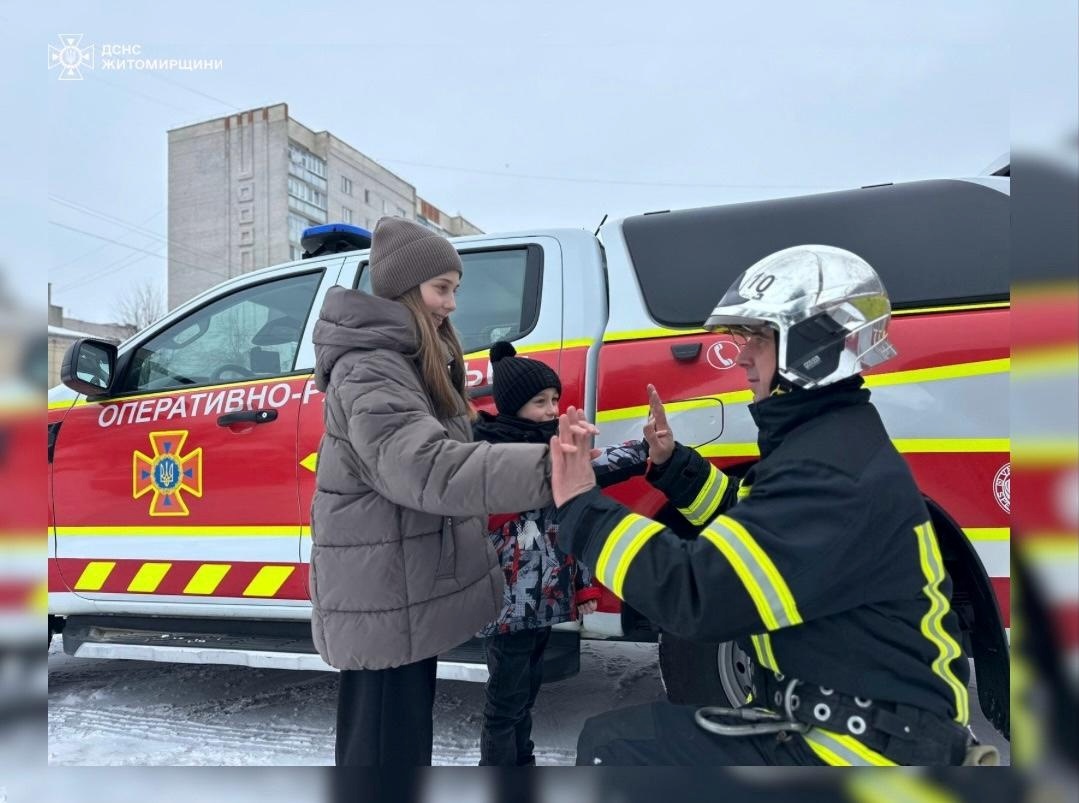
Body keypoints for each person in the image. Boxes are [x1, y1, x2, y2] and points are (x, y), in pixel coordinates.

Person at [549, 245, 977, 766]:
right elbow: (754, 531)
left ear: (812, 346)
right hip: (859, 723)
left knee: (618, 751)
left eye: (759, 337)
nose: (741, 354)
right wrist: (674, 467)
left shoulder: (827, 469)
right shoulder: (826, 440)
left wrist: (579, 506)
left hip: (863, 752)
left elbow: (698, 593)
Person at [310, 217, 553, 767]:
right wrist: (549, 468)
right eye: (441, 288)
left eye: (454, 290)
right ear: (405, 289)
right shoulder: (371, 367)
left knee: (396, 743)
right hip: (383, 583)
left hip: (399, 577)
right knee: (382, 749)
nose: (451, 304)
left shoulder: (408, 360)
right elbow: (423, 468)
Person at [473, 341, 648, 766]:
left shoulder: (550, 444)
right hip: (507, 603)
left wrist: (645, 449)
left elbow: (582, 485)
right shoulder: (501, 453)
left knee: (525, 693)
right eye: (540, 402)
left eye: (555, 399)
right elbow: (592, 466)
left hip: (541, 597)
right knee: (506, 699)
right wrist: (643, 452)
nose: (552, 409)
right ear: (513, 406)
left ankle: (523, 762)